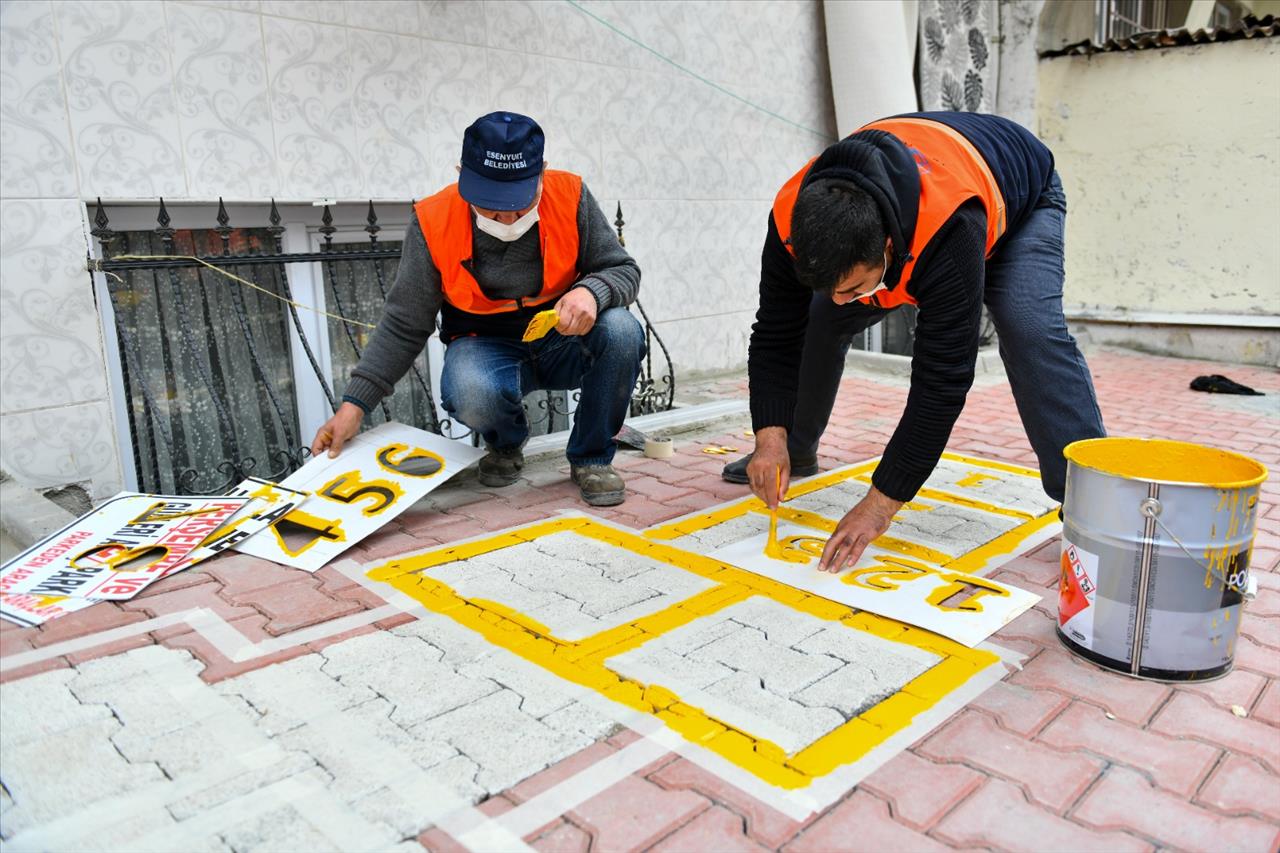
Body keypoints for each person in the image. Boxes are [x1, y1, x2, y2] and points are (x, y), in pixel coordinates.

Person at [726, 111, 1105, 570]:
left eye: (854, 286)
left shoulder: (948, 228)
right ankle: (797, 447)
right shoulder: (792, 217)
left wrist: (880, 504)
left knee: (1028, 326)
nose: (846, 300)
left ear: (889, 247)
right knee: (819, 316)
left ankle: (1092, 509)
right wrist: (770, 437)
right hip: (926, 185)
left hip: (1020, 197)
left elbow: (941, 381)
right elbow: (774, 333)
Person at [311, 111, 644, 507]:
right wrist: (354, 405)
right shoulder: (434, 219)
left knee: (622, 330)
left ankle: (591, 456)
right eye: (491, 206)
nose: (507, 218)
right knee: (470, 388)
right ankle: (506, 446)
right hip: (484, 343)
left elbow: (622, 268)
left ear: (542, 174)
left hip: (563, 336)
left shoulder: (569, 194)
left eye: (520, 204)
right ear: (462, 175)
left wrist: (592, 292)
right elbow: (404, 323)